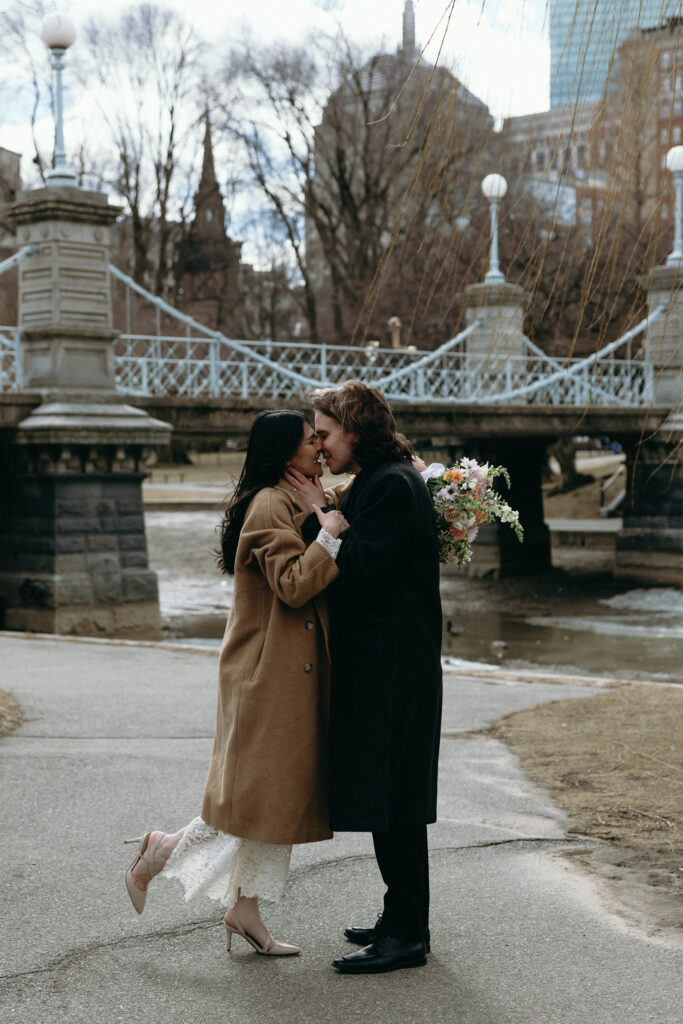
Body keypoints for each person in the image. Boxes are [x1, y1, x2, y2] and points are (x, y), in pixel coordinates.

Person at [123, 410, 349, 956]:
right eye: (307, 441)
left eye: (320, 438)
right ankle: (161, 850)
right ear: (283, 453)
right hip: (266, 677)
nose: (318, 447)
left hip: (285, 675)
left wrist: (338, 500)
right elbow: (294, 585)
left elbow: (328, 501)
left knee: (275, 802)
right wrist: (332, 535)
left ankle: (245, 912)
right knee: (255, 800)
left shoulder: (296, 493)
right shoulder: (270, 502)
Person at [286, 379, 443, 975]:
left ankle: (406, 936)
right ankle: (402, 918)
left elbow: (360, 572)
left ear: (354, 428)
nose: (319, 446)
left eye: (324, 433)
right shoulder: (384, 480)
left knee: (397, 801)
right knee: (390, 797)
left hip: (394, 670)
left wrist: (317, 516)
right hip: (390, 664)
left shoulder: (393, 486)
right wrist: (331, 516)